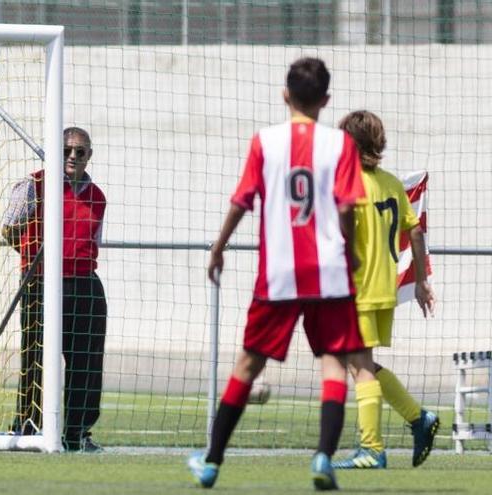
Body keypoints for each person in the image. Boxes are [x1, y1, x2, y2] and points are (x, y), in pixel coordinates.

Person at [187, 57, 375, 491]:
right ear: (326, 100)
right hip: (329, 270)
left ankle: (212, 462)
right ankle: (324, 456)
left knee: (248, 364)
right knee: (334, 362)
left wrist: (219, 247)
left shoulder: (265, 142)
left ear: (285, 94)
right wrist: (347, 249)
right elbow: (347, 206)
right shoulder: (341, 145)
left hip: (279, 274)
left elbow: (242, 199)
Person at [331, 110, 438, 470]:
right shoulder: (391, 183)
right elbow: (416, 231)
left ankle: (372, 449)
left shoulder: (348, 184)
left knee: (358, 366)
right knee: (358, 362)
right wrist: (422, 281)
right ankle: (416, 417)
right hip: (383, 289)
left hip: (356, 289)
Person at [1, 127, 107, 452]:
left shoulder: (98, 197)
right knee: (37, 354)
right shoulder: (34, 185)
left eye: (80, 151)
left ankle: (77, 431)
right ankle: (30, 424)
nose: (73, 156)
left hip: (84, 283)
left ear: (89, 155)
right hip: (41, 282)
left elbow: (93, 241)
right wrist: (33, 254)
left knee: (85, 361)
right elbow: (8, 228)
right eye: (66, 150)